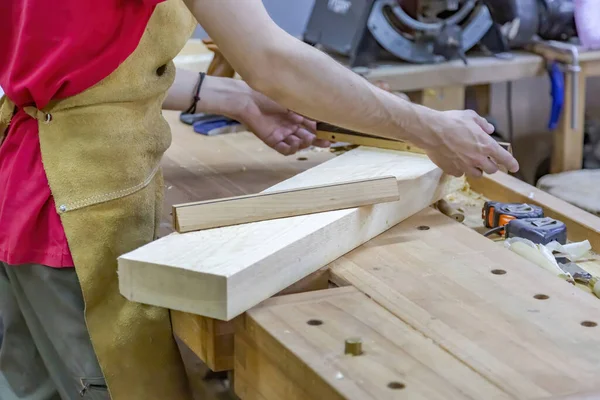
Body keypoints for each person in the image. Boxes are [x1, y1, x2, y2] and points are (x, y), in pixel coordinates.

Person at [0, 1, 518, 399]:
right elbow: (273, 60)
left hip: (26, 189)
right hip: (76, 212)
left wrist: (236, 99)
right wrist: (429, 127)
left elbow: (83, 72)